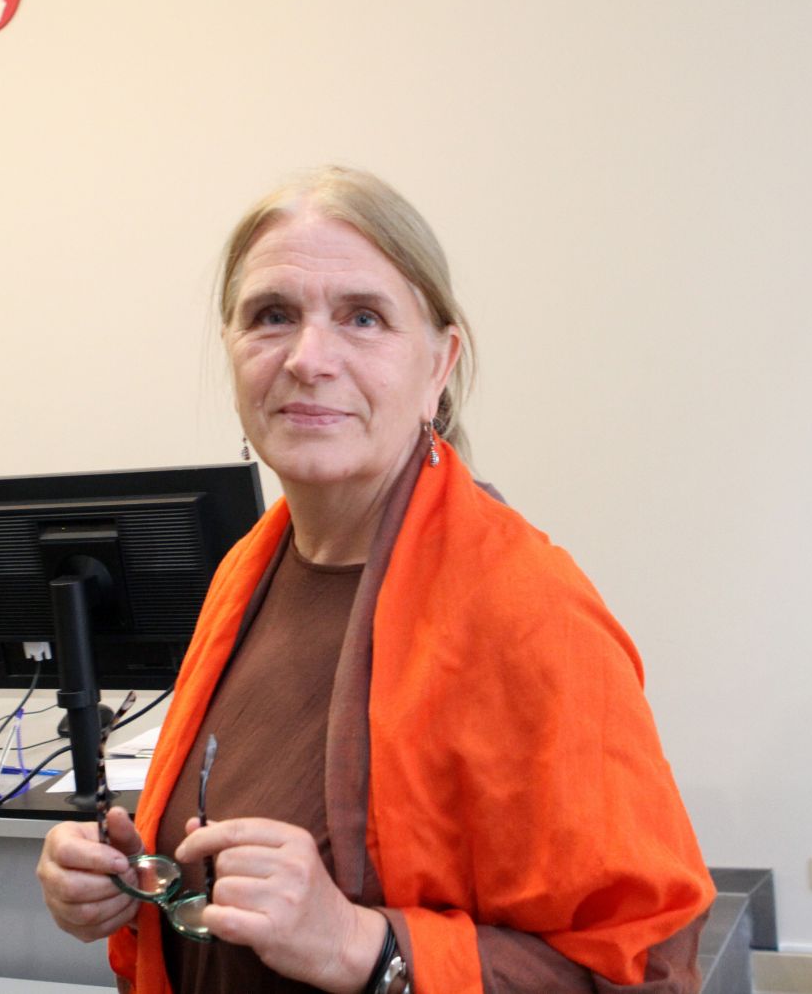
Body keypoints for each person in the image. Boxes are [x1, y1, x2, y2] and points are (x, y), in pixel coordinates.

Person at [37, 166, 714, 993]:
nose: (308, 358)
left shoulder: (529, 609)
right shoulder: (246, 573)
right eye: (272, 315)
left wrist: (365, 945)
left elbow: (646, 970)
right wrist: (129, 883)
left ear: (439, 363)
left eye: (363, 317)